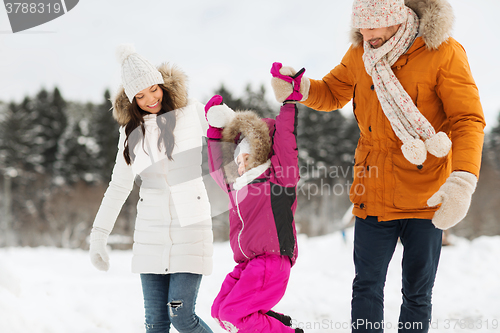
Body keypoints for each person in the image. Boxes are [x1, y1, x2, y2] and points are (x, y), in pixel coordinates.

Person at [271, 0, 485, 332]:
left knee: (417, 293)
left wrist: (462, 180)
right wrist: (300, 88)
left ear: (396, 19)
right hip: (373, 195)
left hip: (426, 197)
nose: (365, 33)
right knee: (366, 287)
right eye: (360, 26)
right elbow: (332, 92)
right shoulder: (361, 52)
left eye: (373, 25)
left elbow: (467, 119)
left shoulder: (442, 52)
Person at [88, 44, 214, 333]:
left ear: (162, 84)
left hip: (189, 229)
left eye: (152, 89)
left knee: (181, 316)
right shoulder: (131, 132)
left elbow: (230, 132)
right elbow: (118, 187)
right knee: (155, 325)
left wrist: (222, 116)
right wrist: (98, 236)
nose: (149, 99)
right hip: (150, 235)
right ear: (132, 99)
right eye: (140, 96)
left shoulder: (191, 112)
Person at [204, 66, 305, 333]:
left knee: (233, 315)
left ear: (259, 155)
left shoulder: (279, 178)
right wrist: (215, 133)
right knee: (219, 311)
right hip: (247, 263)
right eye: (237, 160)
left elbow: (286, 141)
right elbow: (217, 167)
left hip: (272, 261)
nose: (239, 165)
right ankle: (275, 323)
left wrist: (288, 102)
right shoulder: (236, 187)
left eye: (245, 158)